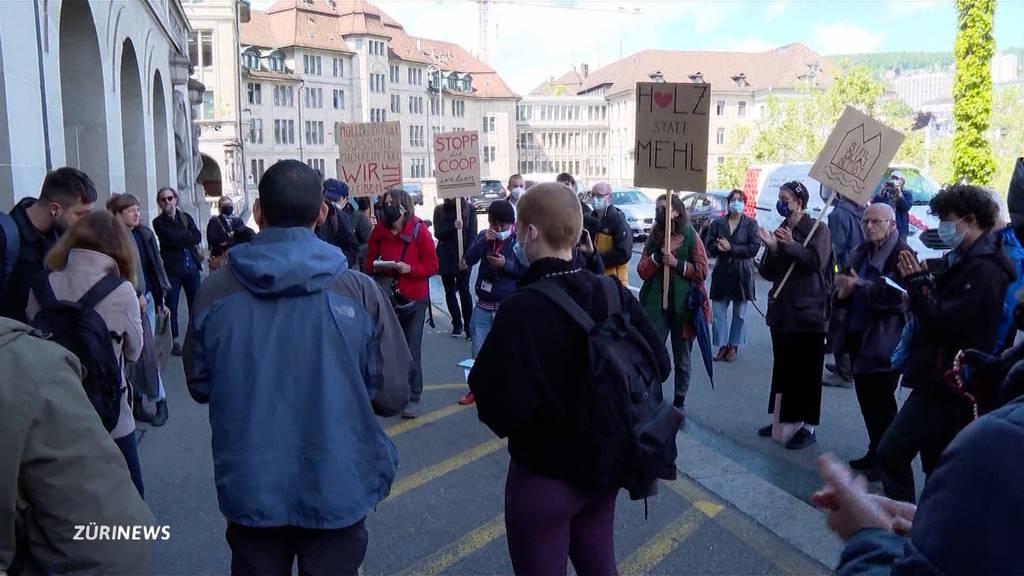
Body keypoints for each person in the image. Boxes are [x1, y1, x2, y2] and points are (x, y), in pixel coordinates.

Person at [184, 160, 411, 576]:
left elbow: (199, 383)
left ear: (257, 211)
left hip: (251, 482)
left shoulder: (215, 291)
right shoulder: (359, 292)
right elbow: (392, 393)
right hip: (337, 480)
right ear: (322, 213)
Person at [469, 182, 671, 575]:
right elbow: (658, 364)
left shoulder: (522, 309)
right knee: (600, 566)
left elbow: (495, 406)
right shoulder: (612, 292)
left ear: (529, 233)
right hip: (604, 467)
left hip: (544, 477)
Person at [878, 184, 1014, 503]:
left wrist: (918, 287)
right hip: (938, 377)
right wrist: (925, 285)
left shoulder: (986, 268)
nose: (944, 228)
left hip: (949, 382)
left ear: (969, 220)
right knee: (936, 466)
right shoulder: (962, 261)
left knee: (892, 452)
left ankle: (905, 528)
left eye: (948, 220)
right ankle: (924, 528)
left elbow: (950, 324)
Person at [0, 317, 155, 574]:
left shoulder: (36, 293)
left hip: (78, 555)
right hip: (114, 533)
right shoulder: (28, 354)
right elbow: (134, 351)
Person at [813, 394, 1024, 575]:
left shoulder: (1002, 438)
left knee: (893, 450)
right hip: (933, 375)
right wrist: (923, 530)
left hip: (938, 380)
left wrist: (870, 534)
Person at [26, 210, 145, 496]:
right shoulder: (122, 290)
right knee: (130, 499)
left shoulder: (42, 284)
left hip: (52, 415)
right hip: (109, 416)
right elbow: (134, 352)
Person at [833, 203, 908, 479]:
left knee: (883, 406)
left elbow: (898, 298)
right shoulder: (860, 252)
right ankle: (874, 450)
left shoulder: (902, 254)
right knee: (868, 403)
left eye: (876, 221)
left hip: (884, 342)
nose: (868, 226)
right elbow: (844, 283)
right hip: (857, 336)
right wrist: (842, 291)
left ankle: (886, 461)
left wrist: (860, 287)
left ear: (891, 224)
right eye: (865, 221)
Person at [757, 181, 832, 450]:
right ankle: (782, 418)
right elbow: (768, 272)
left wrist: (789, 246)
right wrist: (772, 248)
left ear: (799, 202)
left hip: (809, 313)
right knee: (784, 368)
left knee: (807, 372)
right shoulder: (783, 230)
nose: (781, 203)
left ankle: (807, 426)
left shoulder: (818, 229)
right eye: (779, 198)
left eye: (785, 198)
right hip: (783, 312)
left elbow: (817, 263)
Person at [366, 187, 438, 419]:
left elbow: (432, 266)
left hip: (415, 300)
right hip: (388, 298)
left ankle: (414, 396)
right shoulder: (378, 231)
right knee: (387, 349)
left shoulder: (420, 232)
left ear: (404, 208)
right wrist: (381, 265)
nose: (386, 209)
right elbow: (368, 263)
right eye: (383, 205)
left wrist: (410, 269)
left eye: (391, 205)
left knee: (411, 349)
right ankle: (392, 393)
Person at [637, 193, 709, 412]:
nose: (660, 211)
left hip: (683, 308)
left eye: (664, 207)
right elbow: (641, 270)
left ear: (676, 211)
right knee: (651, 353)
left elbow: (702, 271)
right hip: (655, 305)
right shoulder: (654, 237)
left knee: (682, 359)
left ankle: (679, 401)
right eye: (657, 207)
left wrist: (677, 264)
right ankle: (651, 397)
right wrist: (659, 257)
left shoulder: (690, 235)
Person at [109, 193, 173, 427]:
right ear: (117, 214)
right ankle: (141, 402)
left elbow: (153, 268)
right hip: (128, 302)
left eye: (138, 209)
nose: (137, 213)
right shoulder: (112, 240)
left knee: (145, 354)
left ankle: (159, 401)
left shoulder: (142, 235)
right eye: (130, 210)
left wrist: (159, 298)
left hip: (144, 300)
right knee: (135, 356)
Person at [1, 167, 96, 322]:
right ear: (55, 209)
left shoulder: (65, 236)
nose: (86, 222)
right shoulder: (7, 237)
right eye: (80, 214)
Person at [457, 200, 522, 407]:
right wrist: (482, 242)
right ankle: (475, 389)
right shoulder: (484, 237)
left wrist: (506, 265)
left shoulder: (519, 241)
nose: (499, 230)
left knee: (508, 350)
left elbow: (525, 270)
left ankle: (508, 390)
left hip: (506, 305)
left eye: (503, 226)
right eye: (495, 225)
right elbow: (466, 261)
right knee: (478, 350)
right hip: (484, 304)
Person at [705, 189, 761, 362]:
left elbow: (754, 247)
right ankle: (721, 345)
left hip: (742, 273)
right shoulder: (718, 223)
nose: (736, 203)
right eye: (733, 200)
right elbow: (709, 246)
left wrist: (733, 249)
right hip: (722, 272)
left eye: (740, 200)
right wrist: (717, 247)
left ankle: (733, 346)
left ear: (744, 203)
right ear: (728, 203)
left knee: (740, 313)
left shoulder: (751, 224)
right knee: (719, 313)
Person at [153, 187, 203, 356]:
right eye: (163, 200)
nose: (167, 202)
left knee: (196, 304)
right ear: (159, 203)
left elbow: (197, 236)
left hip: (191, 268)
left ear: (175, 199)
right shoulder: (158, 222)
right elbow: (172, 239)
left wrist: (183, 238)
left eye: (169, 198)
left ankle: (197, 338)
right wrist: (185, 237)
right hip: (173, 270)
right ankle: (175, 341)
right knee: (172, 307)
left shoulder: (186, 217)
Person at [826, 191, 867, 384]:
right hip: (860, 269)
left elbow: (837, 247)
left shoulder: (838, 214)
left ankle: (843, 371)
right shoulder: (862, 211)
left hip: (845, 270)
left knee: (838, 322)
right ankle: (846, 365)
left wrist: (836, 273)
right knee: (850, 320)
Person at [433, 197, 477, 339]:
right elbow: (438, 233)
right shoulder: (439, 210)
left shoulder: (469, 209)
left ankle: (468, 326)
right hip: (446, 256)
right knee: (449, 291)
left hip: (463, 255)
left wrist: (467, 258)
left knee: (464, 289)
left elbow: (472, 235)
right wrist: (454, 226)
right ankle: (456, 323)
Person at [586, 182, 633, 285]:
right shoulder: (589, 219)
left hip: (614, 282)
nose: (595, 199)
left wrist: (596, 260)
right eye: (592, 195)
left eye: (599, 195)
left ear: (610, 197)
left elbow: (623, 253)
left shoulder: (618, 221)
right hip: (593, 280)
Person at [316, 179, 360, 269]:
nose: (331, 203)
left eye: (336, 200)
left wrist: (339, 262)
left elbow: (353, 247)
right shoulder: (318, 213)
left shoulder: (341, 217)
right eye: (328, 198)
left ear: (346, 199)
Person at [206, 196, 247, 270]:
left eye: (229, 205)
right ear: (220, 207)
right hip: (219, 258)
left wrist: (226, 242)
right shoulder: (214, 221)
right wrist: (232, 239)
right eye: (225, 205)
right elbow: (212, 239)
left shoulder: (239, 221)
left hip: (236, 258)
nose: (227, 207)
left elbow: (244, 239)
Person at [872, 171, 913, 240]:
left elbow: (906, 207)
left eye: (896, 178)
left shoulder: (907, 194)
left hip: (899, 229)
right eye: (892, 178)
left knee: (899, 248)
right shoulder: (886, 193)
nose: (893, 180)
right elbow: (874, 206)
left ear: (902, 181)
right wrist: (882, 192)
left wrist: (899, 194)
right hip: (884, 227)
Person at [349, 197, 373, 273]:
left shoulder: (359, 217)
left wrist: (354, 253)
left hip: (354, 264)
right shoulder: (322, 216)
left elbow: (368, 243)